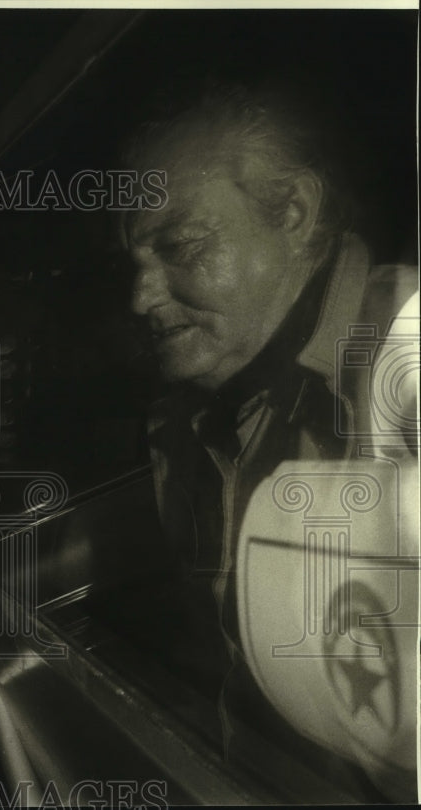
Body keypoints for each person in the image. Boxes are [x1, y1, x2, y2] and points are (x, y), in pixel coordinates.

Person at [119, 82, 417, 798]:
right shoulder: (182, 422)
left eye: (181, 245)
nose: (139, 297)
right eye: (133, 264)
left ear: (292, 212)